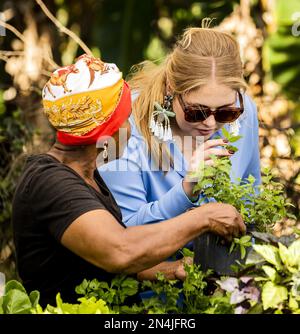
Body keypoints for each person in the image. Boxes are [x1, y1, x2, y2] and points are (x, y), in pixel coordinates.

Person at [12, 54, 245, 307]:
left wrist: (171, 269)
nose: (132, 127)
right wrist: (203, 217)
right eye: (127, 118)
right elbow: (119, 251)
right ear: (108, 131)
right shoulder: (51, 183)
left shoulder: (88, 176)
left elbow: (97, 259)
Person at [99, 26, 261, 227]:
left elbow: (250, 197)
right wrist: (186, 190)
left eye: (225, 113)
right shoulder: (121, 124)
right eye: (196, 112)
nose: (210, 123)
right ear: (171, 88)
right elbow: (126, 233)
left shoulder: (245, 112)